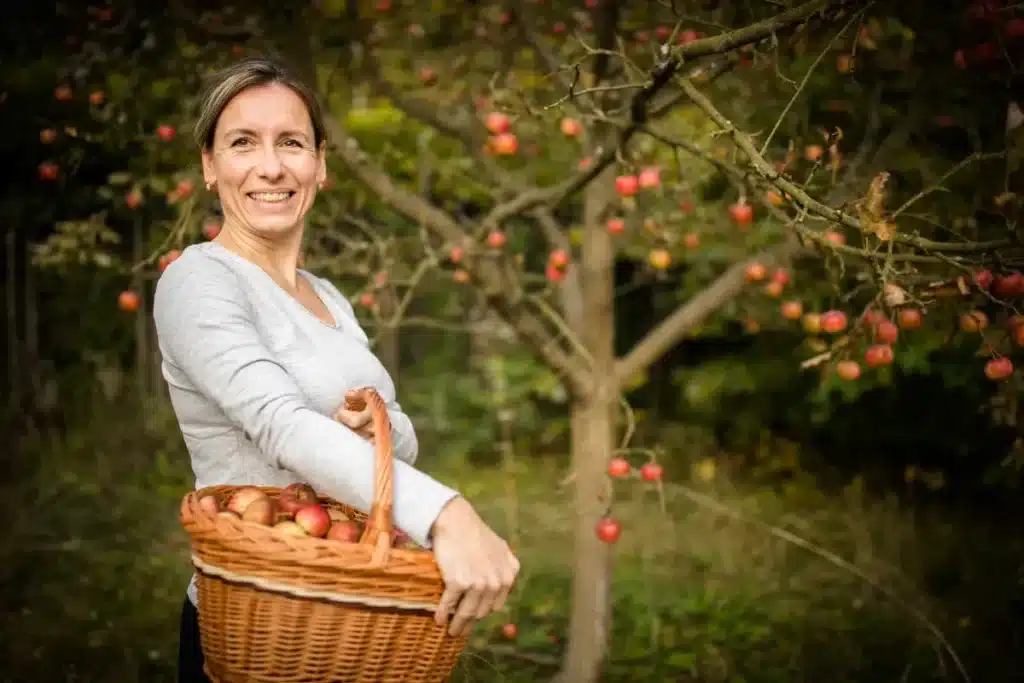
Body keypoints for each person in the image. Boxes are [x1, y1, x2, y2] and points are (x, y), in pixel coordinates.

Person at [152, 55, 520, 683]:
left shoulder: (329, 297)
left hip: (355, 621)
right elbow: (280, 425)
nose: (271, 166)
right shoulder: (198, 280)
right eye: (243, 142)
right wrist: (446, 513)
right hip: (261, 625)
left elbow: (395, 438)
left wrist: (369, 426)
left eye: (291, 142)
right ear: (210, 167)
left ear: (319, 164)